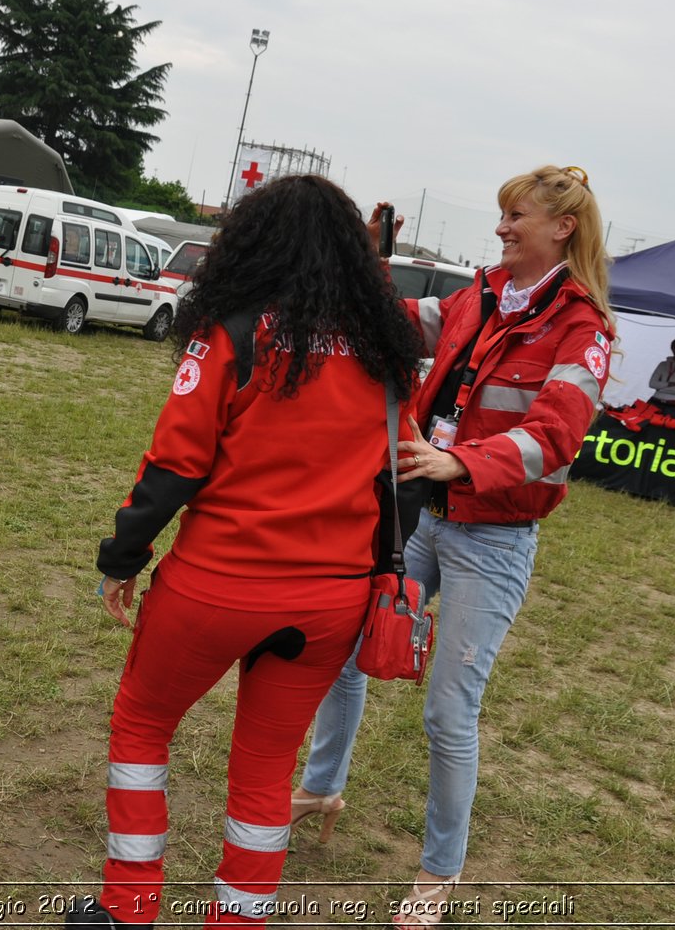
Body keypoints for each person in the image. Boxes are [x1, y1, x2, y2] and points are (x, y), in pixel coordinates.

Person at [64, 175, 424, 928]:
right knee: (265, 771)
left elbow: (173, 466)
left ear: (254, 240)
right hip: (330, 601)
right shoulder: (386, 349)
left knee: (141, 726)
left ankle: (128, 907)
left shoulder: (234, 329)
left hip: (216, 586)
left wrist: (121, 557)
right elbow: (408, 481)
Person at [294, 165, 615, 927]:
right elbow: (402, 320)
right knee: (346, 642)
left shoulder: (582, 324)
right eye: (503, 215)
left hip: (492, 539)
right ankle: (323, 784)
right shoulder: (480, 292)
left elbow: (558, 434)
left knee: (447, 711)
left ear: (562, 228)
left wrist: (465, 460)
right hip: (421, 515)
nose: (502, 227)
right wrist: (362, 257)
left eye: (516, 216)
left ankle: (438, 874)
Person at [646, 338, 675, 418]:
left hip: (673, 406)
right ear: (672, 348)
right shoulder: (663, 364)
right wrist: (669, 384)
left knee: (666, 429)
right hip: (655, 401)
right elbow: (652, 384)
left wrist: (660, 388)